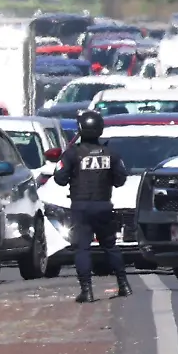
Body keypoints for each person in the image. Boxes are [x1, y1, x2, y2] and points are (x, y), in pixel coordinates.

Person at [53, 110, 130, 303]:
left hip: (81, 207)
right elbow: (120, 179)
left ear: (80, 129)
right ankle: (124, 284)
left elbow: (59, 179)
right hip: (103, 205)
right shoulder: (112, 154)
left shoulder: (72, 154)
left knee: (82, 249)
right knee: (110, 246)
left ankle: (86, 290)